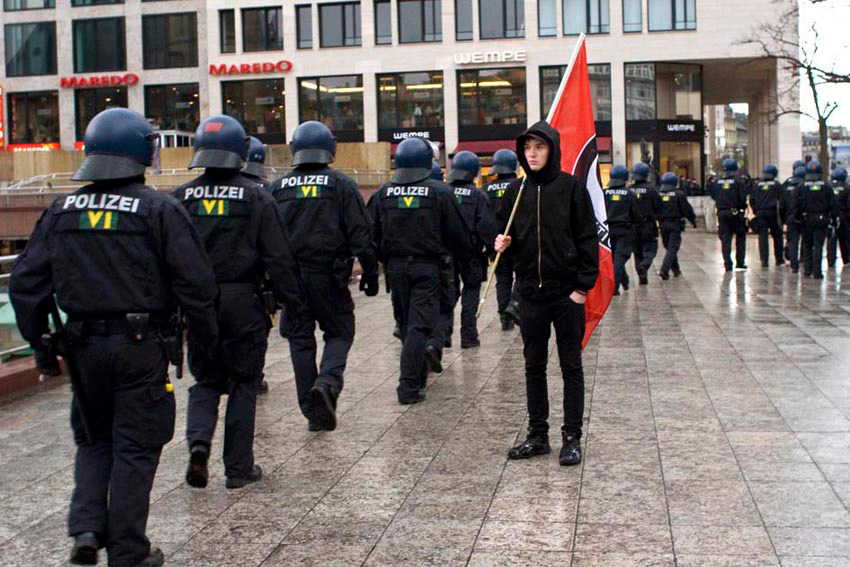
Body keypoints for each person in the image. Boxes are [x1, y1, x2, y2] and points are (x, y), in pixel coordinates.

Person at [10, 108, 219, 567]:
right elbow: (196, 284)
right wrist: (205, 338)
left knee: (93, 438)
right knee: (136, 446)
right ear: (141, 151)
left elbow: (25, 285)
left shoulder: (61, 210)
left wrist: (43, 347)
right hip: (139, 347)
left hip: (82, 348)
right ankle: (128, 550)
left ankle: (86, 529)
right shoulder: (159, 209)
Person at [174, 115, 305, 490]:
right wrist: (294, 303)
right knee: (244, 383)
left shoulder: (181, 198)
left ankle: (199, 445)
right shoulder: (257, 196)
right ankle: (238, 468)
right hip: (243, 302)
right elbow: (278, 257)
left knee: (206, 381)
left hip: (198, 304)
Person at [494, 121, 599, 466]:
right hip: (531, 296)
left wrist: (582, 289)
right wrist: (502, 244)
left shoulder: (570, 188)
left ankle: (571, 437)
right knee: (533, 366)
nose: (533, 154)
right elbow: (508, 242)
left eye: (539, 147)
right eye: (527, 148)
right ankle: (537, 434)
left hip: (566, 294)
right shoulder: (515, 192)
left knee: (571, 366)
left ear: (552, 149)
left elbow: (587, 239)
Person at [270, 121, 378, 431]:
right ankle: (327, 382)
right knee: (340, 332)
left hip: (291, 280)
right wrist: (370, 273)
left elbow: (267, 239)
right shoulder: (341, 185)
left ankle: (310, 408)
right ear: (329, 148)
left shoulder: (276, 188)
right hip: (329, 276)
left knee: (300, 339)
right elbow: (361, 234)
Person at [371, 137, 470, 404]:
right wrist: (467, 270)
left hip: (395, 269)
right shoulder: (440, 193)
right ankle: (409, 386)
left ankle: (416, 375)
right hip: (429, 268)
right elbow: (459, 236)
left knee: (405, 324)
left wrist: (376, 267)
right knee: (419, 326)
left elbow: (371, 235)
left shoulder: (383, 193)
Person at [446, 150, 497, 349]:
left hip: (448, 254)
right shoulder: (478, 195)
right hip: (472, 254)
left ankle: (443, 335)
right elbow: (486, 227)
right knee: (471, 293)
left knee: (448, 294)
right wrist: (492, 251)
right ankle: (468, 337)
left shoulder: (443, 192)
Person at [242, 136, 274, 394]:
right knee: (258, 328)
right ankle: (254, 371)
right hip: (254, 281)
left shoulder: (188, 192)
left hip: (209, 281)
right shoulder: (265, 191)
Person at [484, 148, 521, 330]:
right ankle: (514, 304)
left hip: (496, 242)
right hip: (517, 240)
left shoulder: (486, 189)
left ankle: (504, 317)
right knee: (522, 275)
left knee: (502, 279)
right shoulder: (520, 187)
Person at [796, 160, 838, 279]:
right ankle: (817, 272)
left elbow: (796, 204)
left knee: (807, 244)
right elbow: (833, 205)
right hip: (822, 218)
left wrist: (796, 217)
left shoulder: (802, 187)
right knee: (818, 245)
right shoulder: (826, 187)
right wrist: (834, 219)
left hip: (806, 218)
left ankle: (807, 270)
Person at [604, 165, 641, 295]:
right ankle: (614, 288)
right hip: (625, 230)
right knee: (619, 259)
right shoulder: (629, 194)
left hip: (608, 231)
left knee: (614, 258)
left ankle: (624, 282)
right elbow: (636, 214)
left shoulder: (604, 193)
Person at [656, 172, 697, 280]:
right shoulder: (678, 194)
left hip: (662, 225)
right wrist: (692, 220)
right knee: (673, 248)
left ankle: (676, 269)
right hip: (675, 224)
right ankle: (664, 270)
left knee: (669, 247)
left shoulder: (658, 194)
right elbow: (687, 209)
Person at [711, 158, 749, 271]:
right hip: (735, 212)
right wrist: (742, 208)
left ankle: (728, 264)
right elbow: (742, 198)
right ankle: (740, 262)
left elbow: (713, 195)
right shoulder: (738, 181)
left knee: (725, 238)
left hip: (721, 212)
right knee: (740, 236)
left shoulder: (717, 181)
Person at [630, 162, 662, 285]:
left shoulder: (630, 189)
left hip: (633, 226)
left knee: (637, 252)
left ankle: (642, 277)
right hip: (648, 224)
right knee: (651, 249)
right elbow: (659, 206)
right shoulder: (651, 189)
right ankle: (645, 265)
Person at [750, 164, 784, 268]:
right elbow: (782, 201)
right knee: (777, 236)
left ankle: (764, 260)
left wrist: (756, 210)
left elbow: (752, 200)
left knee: (762, 236)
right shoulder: (777, 185)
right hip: (773, 213)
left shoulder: (757, 185)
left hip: (761, 213)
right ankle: (779, 259)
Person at [781, 163, 806, 273]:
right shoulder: (805, 185)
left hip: (790, 216)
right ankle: (805, 261)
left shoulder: (786, 183)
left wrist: (782, 218)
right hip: (803, 217)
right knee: (806, 241)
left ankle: (794, 265)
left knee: (793, 241)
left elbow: (781, 202)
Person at [827, 167, 850, 268]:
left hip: (830, 214)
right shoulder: (847, 187)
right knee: (844, 238)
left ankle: (831, 261)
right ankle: (846, 259)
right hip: (843, 215)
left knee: (831, 238)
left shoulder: (828, 186)